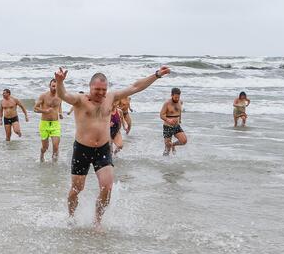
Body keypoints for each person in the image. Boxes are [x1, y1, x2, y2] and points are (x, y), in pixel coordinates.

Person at [56, 66, 171, 231]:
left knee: (107, 187)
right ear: (90, 87)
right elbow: (63, 95)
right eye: (97, 90)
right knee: (77, 189)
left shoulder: (111, 98)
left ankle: (97, 222)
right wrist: (60, 82)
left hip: (102, 149)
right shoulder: (80, 100)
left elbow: (135, 87)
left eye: (104, 90)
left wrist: (156, 75)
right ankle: (71, 217)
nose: (101, 93)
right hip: (82, 149)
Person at [34, 79, 63, 162]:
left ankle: (54, 166)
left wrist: (60, 113)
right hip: (44, 124)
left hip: (55, 124)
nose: (55, 88)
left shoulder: (60, 96)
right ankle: (42, 154)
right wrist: (44, 111)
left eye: (56, 86)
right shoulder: (43, 96)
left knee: (56, 146)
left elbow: (59, 106)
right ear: (49, 86)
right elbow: (35, 108)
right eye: (53, 86)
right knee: (45, 147)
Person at [160, 87, 188, 156]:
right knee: (167, 148)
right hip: (168, 127)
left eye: (178, 97)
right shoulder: (167, 103)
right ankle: (165, 162)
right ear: (171, 95)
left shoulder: (180, 102)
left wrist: (180, 119)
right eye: (175, 97)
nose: (177, 99)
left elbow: (179, 111)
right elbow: (161, 115)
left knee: (184, 141)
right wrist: (168, 120)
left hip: (176, 126)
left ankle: (173, 145)